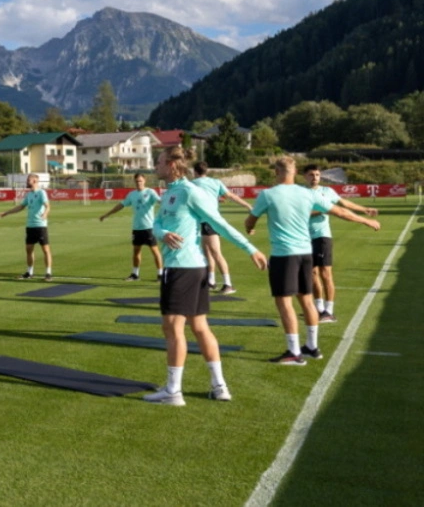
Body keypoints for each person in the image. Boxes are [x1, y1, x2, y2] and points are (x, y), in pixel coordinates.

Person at [142, 148, 267, 406]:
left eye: (159, 162)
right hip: (188, 268)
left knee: (173, 327)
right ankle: (219, 386)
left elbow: (218, 222)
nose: (155, 166)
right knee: (198, 327)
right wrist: (162, 232)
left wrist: (249, 248)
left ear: (173, 165)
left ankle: (173, 391)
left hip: (183, 269)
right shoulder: (169, 193)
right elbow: (155, 224)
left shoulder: (189, 192)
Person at [244, 156, 380, 365]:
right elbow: (340, 211)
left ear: (276, 172)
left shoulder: (268, 194)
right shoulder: (307, 193)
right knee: (307, 300)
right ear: (296, 171)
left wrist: (250, 227)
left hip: (283, 255)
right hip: (305, 253)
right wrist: (366, 220)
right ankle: (312, 347)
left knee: (284, 302)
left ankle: (293, 352)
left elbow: (250, 220)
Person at [303, 164, 378, 323]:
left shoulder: (327, 191)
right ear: (305, 177)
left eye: (317, 174)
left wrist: (364, 209)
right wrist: (325, 210)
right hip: (304, 238)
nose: (314, 177)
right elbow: (302, 214)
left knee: (325, 273)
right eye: (311, 175)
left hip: (322, 236)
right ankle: (319, 308)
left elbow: (344, 204)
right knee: (312, 274)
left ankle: (329, 311)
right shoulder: (301, 193)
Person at [192, 162, 253, 294]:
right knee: (208, 251)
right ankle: (211, 281)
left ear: (195, 171)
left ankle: (228, 284)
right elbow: (230, 196)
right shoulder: (215, 182)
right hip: (207, 221)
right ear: (206, 171)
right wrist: (247, 205)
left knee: (215, 252)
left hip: (208, 220)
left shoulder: (193, 184)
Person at [99, 173, 163, 281]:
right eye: (137, 181)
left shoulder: (150, 192)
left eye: (140, 181)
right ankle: (135, 274)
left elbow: (159, 200)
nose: (139, 183)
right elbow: (121, 205)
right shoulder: (132, 194)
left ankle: (160, 275)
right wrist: (107, 214)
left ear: (144, 181)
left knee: (155, 251)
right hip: (136, 228)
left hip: (149, 228)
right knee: (136, 251)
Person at [0, 173, 52, 281]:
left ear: (35, 181)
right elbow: (21, 207)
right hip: (30, 226)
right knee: (29, 250)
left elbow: (48, 206)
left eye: (29, 179)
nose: (27, 181)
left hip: (40, 226)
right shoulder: (29, 195)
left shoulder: (42, 193)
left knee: (45, 250)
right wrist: (7, 212)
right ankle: (29, 272)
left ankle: (48, 273)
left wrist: (45, 213)